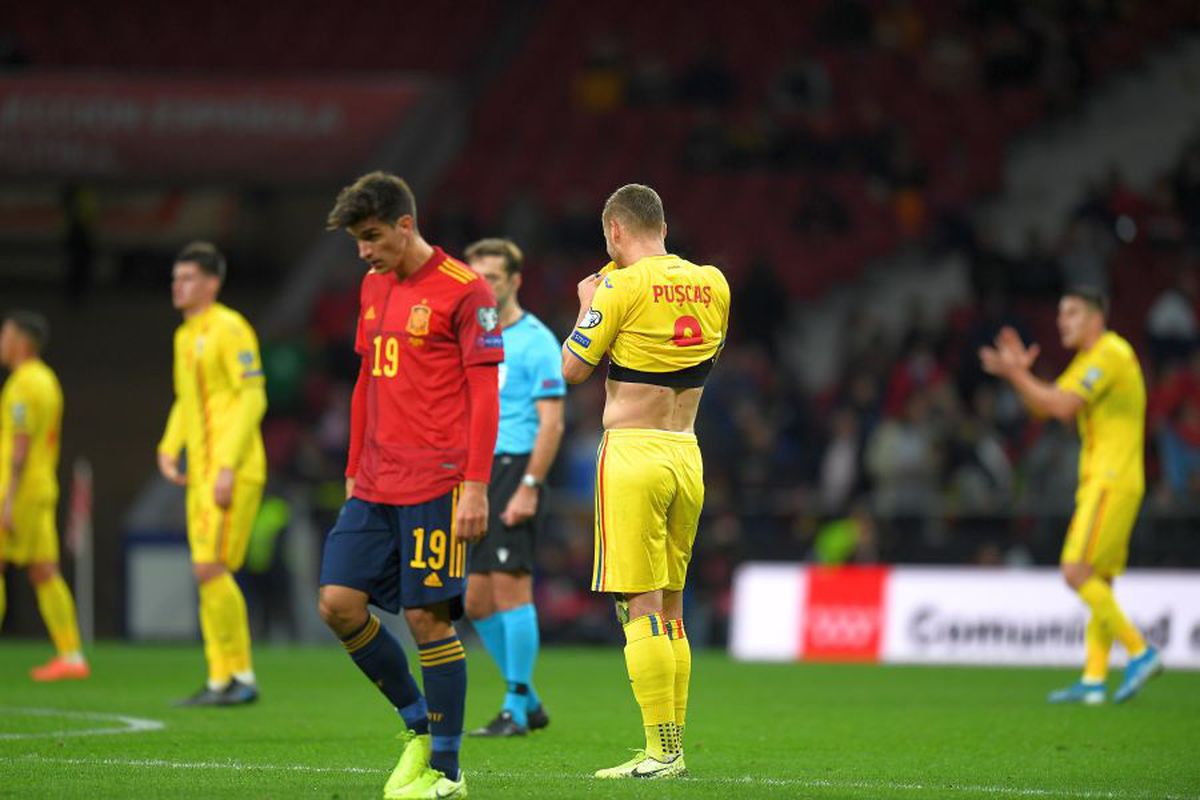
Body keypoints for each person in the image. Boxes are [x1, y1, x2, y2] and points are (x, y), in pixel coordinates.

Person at [318, 172, 501, 800]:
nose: (364, 251)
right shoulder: (372, 287)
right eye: (356, 242)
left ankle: (447, 773)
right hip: (373, 481)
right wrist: (351, 469)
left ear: (405, 225)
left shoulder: (465, 290)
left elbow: (484, 393)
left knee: (427, 619)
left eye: (371, 237)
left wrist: (475, 486)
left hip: (439, 481)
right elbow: (366, 381)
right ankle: (416, 722)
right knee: (337, 603)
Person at [562, 184, 731, 779]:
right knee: (673, 607)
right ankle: (670, 747)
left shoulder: (618, 286)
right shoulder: (714, 282)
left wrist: (589, 304)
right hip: (686, 449)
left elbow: (573, 369)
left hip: (632, 454)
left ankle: (662, 750)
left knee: (641, 607)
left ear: (614, 230)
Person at [980, 287, 1161, 704]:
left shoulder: (1110, 354)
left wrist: (1016, 376)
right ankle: (1095, 680)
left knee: (1075, 571)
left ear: (1097, 317)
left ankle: (1140, 650)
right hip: (1113, 480)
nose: (1063, 321)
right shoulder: (1088, 361)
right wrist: (1022, 374)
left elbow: (1061, 407)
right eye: (1061, 313)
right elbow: (1044, 407)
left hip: (1109, 479)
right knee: (1100, 582)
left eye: (1073, 313)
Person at [463, 238, 565, 737]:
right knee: (476, 601)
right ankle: (530, 699)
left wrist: (529, 486)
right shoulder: (471, 336)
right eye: (476, 277)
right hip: (476, 472)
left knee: (510, 589)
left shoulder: (537, 341)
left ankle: (515, 707)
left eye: (494, 278)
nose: (484, 287)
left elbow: (552, 424)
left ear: (515, 281)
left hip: (514, 467)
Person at [158, 242, 267, 706]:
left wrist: (226, 464)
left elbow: (252, 397)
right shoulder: (185, 336)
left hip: (233, 469)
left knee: (212, 567)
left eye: (188, 278)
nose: (178, 286)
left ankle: (241, 675)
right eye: (175, 278)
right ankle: (220, 677)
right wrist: (169, 445)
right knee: (205, 571)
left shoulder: (230, 327)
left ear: (212, 283)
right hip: (200, 472)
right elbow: (186, 398)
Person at [0, 311, 89, 681]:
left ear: (22, 341)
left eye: (5, 334)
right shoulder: (47, 380)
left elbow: (19, 446)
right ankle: (70, 654)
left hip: (19, 490)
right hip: (41, 487)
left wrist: (6, 499)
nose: (1, 342)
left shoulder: (22, 385)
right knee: (43, 571)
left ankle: (71, 655)